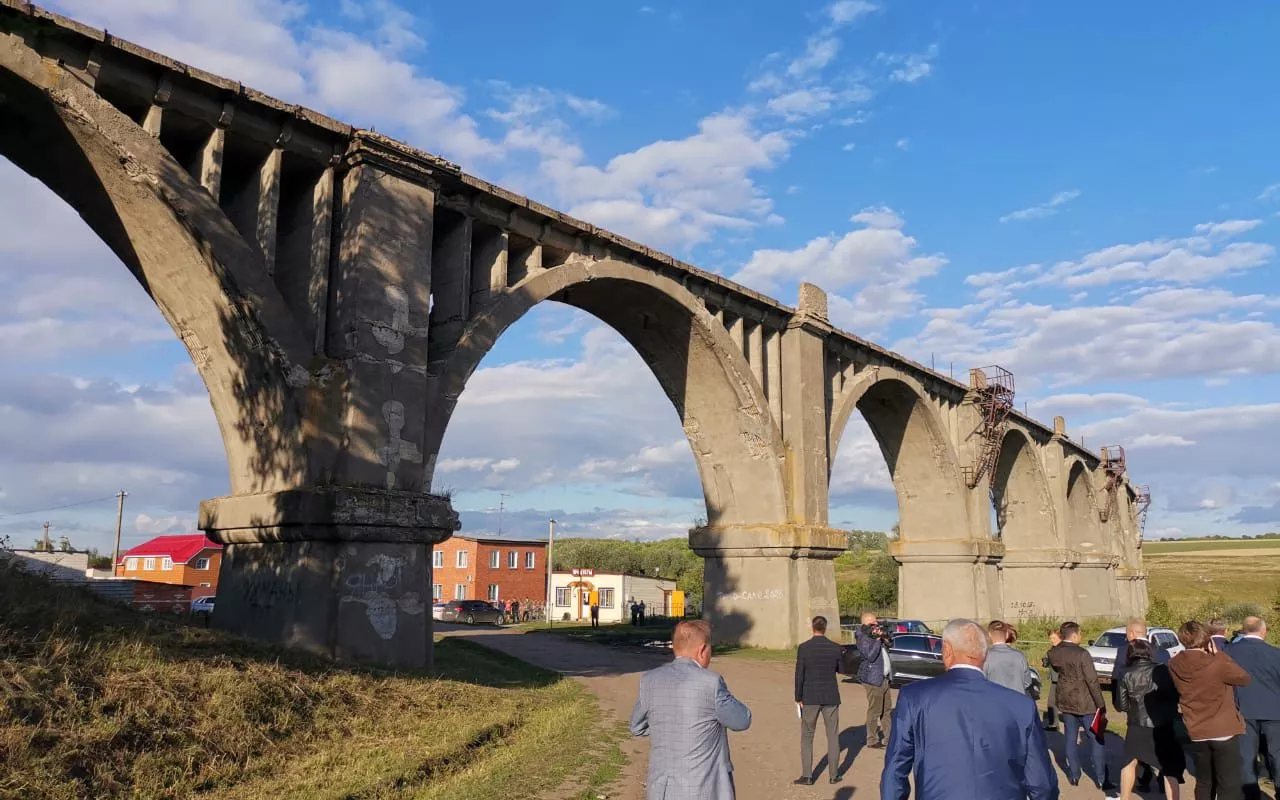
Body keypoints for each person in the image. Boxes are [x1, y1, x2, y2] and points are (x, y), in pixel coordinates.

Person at [880, 618, 1058, 800]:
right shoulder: (1022, 705)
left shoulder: (914, 697)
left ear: (947, 649)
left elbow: (896, 770)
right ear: (984, 654)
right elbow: (1042, 783)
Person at [629, 619, 752, 799]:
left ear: (674, 647)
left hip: (661, 790)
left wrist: (669, 726)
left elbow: (636, 727)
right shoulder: (711, 682)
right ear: (702, 650)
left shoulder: (650, 679)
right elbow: (742, 720)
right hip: (702, 790)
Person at [1168, 619, 1252, 800]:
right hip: (1223, 729)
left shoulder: (1174, 664)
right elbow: (1244, 678)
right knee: (1228, 783)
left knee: (1204, 781)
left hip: (1197, 729)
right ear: (1206, 638)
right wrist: (1220, 655)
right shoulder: (1216, 662)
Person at [1116, 637, 1185, 800]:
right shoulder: (1162, 670)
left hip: (1137, 724)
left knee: (1129, 763)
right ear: (1149, 652)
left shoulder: (1125, 673)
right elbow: (1175, 696)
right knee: (1169, 768)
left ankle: (1124, 798)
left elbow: (1122, 705)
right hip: (1162, 724)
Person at [1048, 621, 1111, 791]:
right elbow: (1092, 681)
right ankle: (1101, 778)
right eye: (1080, 633)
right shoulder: (1082, 654)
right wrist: (1101, 704)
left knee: (1070, 737)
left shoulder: (1054, 653)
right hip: (1086, 702)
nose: (1081, 636)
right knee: (1096, 739)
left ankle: (1074, 775)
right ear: (1074, 635)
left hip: (1066, 700)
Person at [1113, 618, 1172, 793]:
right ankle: (1162, 784)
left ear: (1131, 633)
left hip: (1135, 709)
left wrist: (1120, 703)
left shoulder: (1123, 651)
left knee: (1133, 754)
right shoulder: (1163, 652)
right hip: (1160, 712)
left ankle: (1142, 780)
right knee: (1162, 752)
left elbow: (1117, 679)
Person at [1226, 616, 1280, 800]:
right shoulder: (1275, 654)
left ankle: (1251, 795)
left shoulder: (1229, 652)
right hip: (1274, 710)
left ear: (1243, 630)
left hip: (1243, 709)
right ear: (1263, 631)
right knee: (1277, 754)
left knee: (1245, 756)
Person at [794, 615, 843, 786]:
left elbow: (799, 675)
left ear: (812, 628)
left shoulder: (804, 648)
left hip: (810, 696)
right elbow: (841, 669)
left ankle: (807, 776)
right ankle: (834, 775)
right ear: (825, 628)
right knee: (833, 736)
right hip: (830, 696)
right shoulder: (835, 648)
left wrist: (798, 697)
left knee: (807, 736)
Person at [855, 612, 892, 748]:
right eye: (872, 624)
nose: (876, 626)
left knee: (886, 711)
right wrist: (877, 640)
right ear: (865, 624)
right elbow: (870, 656)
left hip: (884, 677)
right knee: (875, 711)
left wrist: (885, 638)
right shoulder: (862, 637)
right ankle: (872, 740)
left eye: (877, 623)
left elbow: (889, 645)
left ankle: (889, 739)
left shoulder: (874, 635)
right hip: (873, 679)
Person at [984, 620, 1037, 695]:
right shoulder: (1020, 656)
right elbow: (1027, 682)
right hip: (1017, 698)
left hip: (995, 699)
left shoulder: (986, 657)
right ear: (1006, 635)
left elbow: (982, 681)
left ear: (989, 635)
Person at [1043, 629, 1062, 731]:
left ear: (1060, 637)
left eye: (1054, 638)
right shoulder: (1052, 649)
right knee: (1051, 703)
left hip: (1065, 680)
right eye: (1050, 638)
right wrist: (1045, 662)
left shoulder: (1064, 649)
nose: (1051, 640)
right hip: (1055, 680)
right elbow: (1047, 663)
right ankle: (1053, 724)